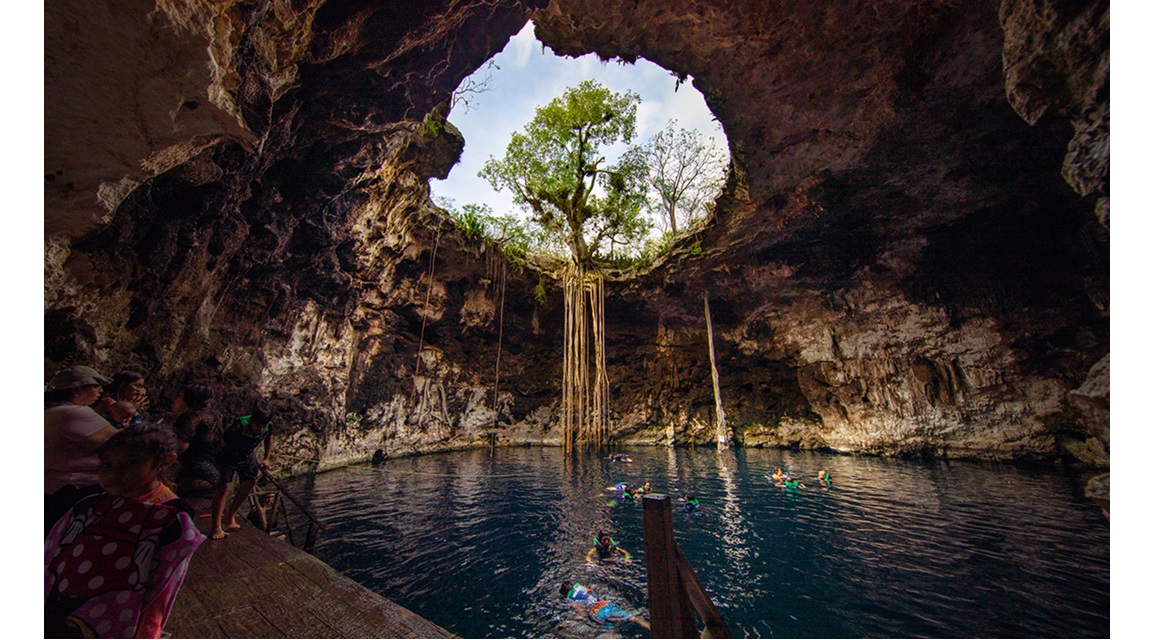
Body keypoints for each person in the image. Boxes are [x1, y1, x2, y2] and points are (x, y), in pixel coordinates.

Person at [45, 423, 205, 638]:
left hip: (112, 622)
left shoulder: (171, 518)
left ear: (165, 462)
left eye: (131, 463)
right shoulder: (89, 505)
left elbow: (162, 590)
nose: (114, 474)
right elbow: (51, 554)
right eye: (107, 464)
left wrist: (148, 634)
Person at [45, 365, 121, 534]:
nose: (100, 391)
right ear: (77, 389)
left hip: (51, 486)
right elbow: (120, 440)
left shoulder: (49, 410)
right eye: (95, 385)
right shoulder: (74, 413)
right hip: (73, 489)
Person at [210, 401, 275, 540]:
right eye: (257, 425)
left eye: (262, 426)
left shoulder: (268, 426)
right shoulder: (239, 426)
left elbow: (269, 439)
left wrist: (267, 458)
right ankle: (216, 526)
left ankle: (230, 516)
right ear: (252, 421)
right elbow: (222, 443)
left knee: (249, 482)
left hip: (247, 454)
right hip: (229, 455)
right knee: (225, 488)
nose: (259, 429)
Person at [172, 382, 224, 499]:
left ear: (188, 399)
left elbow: (180, 446)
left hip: (193, 472)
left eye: (180, 395)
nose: (175, 399)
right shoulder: (213, 415)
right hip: (212, 472)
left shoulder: (190, 416)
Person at [559, 581, 650, 630]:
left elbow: (583, 615)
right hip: (607, 607)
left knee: (609, 633)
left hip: (598, 615)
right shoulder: (585, 588)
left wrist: (569, 622)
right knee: (635, 619)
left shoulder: (572, 600)